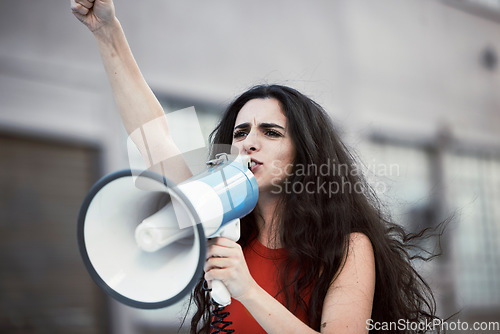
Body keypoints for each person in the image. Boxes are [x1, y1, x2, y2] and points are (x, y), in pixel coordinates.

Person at [71, 1, 442, 333]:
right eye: (240, 131)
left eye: (271, 132)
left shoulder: (347, 247)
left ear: (305, 154)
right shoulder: (211, 220)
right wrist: (107, 32)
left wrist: (245, 288)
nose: (249, 142)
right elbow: (151, 135)